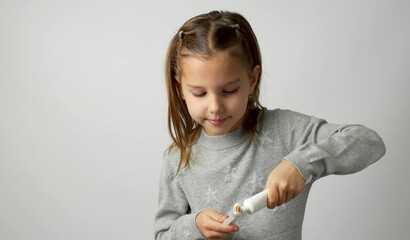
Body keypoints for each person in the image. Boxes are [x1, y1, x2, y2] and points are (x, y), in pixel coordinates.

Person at [154, 10, 385, 240]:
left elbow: (369, 141)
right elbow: (162, 235)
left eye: (229, 91)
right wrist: (194, 226)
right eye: (199, 93)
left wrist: (301, 164)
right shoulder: (177, 158)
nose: (215, 106)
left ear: (252, 80)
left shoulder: (284, 131)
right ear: (180, 89)